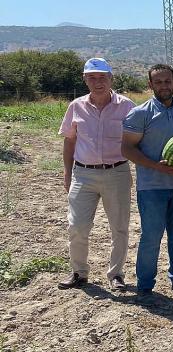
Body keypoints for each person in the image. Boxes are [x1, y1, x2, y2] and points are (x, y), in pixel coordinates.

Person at [122, 64, 173, 299]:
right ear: (150, 85)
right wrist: (156, 166)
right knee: (151, 236)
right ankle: (145, 285)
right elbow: (126, 148)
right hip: (152, 186)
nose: (164, 86)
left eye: (168, 81)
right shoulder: (140, 113)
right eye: (158, 82)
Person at [58, 58, 135, 291]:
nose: (97, 82)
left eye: (102, 77)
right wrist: (67, 173)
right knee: (77, 226)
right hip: (83, 174)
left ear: (111, 79)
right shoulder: (76, 106)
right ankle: (79, 272)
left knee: (119, 227)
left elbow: (136, 141)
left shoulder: (127, 106)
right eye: (92, 77)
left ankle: (116, 275)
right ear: (85, 79)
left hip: (117, 172)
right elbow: (69, 141)